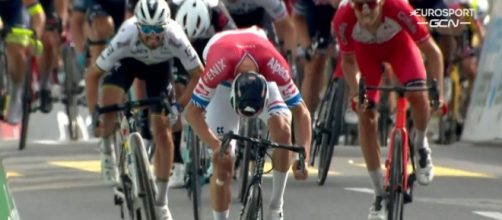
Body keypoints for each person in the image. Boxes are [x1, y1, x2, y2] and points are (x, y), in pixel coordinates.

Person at [84, 0, 204, 218]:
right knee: (109, 110)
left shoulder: (175, 36)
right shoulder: (126, 35)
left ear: (166, 26)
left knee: (163, 133)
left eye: (158, 30)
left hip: (159, 70)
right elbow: (92, 75)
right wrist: (95, 112)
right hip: (126, 64)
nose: (153, 37)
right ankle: (107, 148)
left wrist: (179, 105)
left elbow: (199, 75)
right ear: (137, 26)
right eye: (146, 30)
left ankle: (161, 202)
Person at [332, 0, 445, 219]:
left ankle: (420, 144)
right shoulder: (343, 19)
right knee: (366, 116)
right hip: (366, 56)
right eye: (359, 4)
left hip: (400, 49)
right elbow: (348, 62)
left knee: (417, 94)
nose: (365, 9)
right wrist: (357, 93)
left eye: (371, 3)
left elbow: (433, 53)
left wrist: (438, 93)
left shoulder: (399, 9)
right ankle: (378, 194)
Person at [185, 26, 312, 220]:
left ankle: (276, 206)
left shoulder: (275, 67)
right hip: (222, 76)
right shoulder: (216, 70)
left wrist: (304, 154)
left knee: (283, 131)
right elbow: (193, 113)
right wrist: (216, 144)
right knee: (223, 163)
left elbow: (301, 111)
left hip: (260, 57)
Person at [154, 0, 237, 188]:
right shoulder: (171, 9)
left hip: (213, 45)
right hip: (177, 45)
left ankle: (212, 141)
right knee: (175, 90)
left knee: (215, 87)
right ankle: (177, 163)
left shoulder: (217, 11)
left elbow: (233, 43)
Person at [0, 0, 45, 124]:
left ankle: (15, 94)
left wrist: (34, 38)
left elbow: (38, 16)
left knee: (18, 46)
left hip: (15, 10)